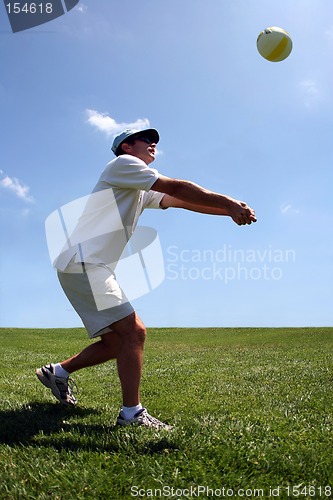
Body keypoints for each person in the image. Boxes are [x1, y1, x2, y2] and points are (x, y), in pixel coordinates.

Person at [36, 128, 257, 429]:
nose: (153, 144)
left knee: (117, 342)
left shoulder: (136, 186)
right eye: (145, 139)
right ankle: (132, 414)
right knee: (134, 333)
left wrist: (227, 212)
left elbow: (178, 200)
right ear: (127, 147)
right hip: (85, 263)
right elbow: (177, 186)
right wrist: (229, 201)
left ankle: (58, 372)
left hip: (87, 266)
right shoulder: (123, 165)